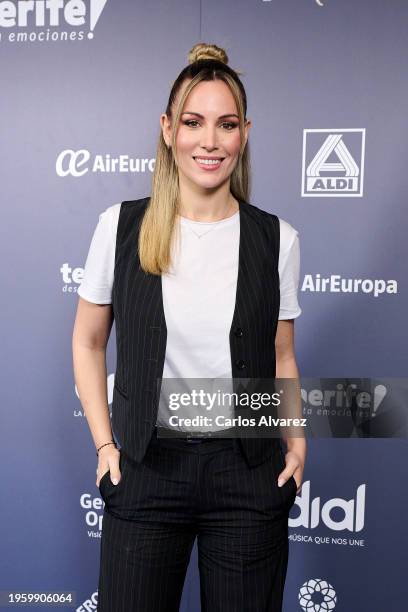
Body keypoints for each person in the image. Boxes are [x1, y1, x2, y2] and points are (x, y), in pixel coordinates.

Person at [72, 42, 306, 612]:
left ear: (244, 133)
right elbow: (87, 340)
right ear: (168, 129)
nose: (210, 141)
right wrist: (106, 446)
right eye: (193, 122)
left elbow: (281, 357)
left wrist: (297, 445)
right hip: (148, 468)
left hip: (247, 474)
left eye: (226, 125)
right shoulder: (121, 227)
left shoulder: (278, 238)